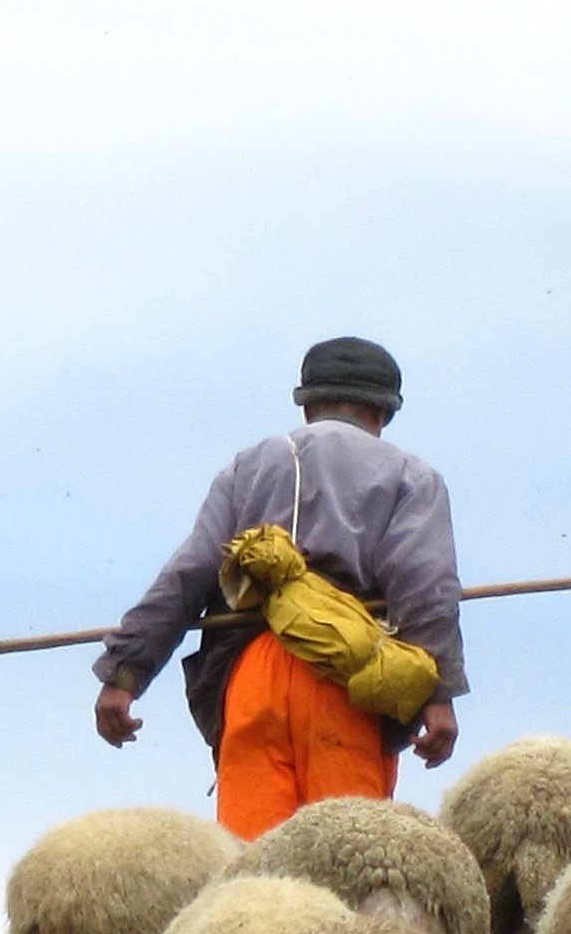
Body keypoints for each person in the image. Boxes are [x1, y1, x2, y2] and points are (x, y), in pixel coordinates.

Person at [94, 336, 466, 840]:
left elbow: (193, 569)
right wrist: (438, 696)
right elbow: (427, 588)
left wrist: (125, 674)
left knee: (254, 877)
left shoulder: (249, 466)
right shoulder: (412, 478)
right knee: (342, 869)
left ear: (306, 404)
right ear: (384, 412)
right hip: (351, 681)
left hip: (251, 677)